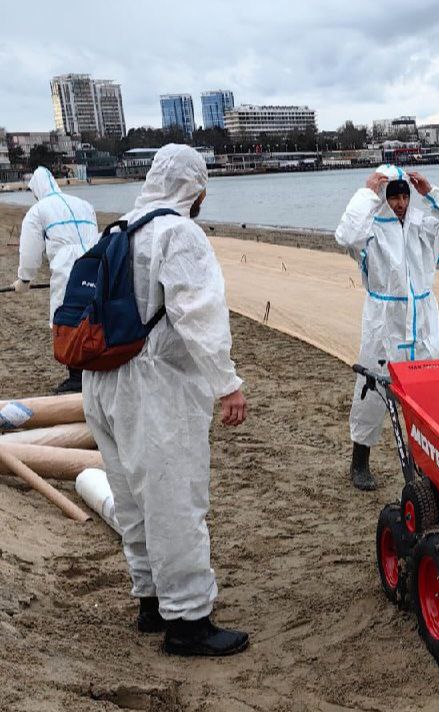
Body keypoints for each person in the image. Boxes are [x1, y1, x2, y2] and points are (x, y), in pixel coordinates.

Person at [82, 144, 250, 656]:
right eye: (202, 189)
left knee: (132, 499)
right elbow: (198, 313)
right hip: (152, 387)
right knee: (174, 500)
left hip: (101, 381)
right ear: (193, 188)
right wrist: (227, 383)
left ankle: (152, 602)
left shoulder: (119, 228)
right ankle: (188, 621)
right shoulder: (179, 233)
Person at [335, 164, 439, 490]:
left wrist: (431, 193)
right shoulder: (370, 234)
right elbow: (345, 235)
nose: (400, 203)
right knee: (371, 391)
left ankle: (431, 460)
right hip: (384, 322)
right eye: (393, 197)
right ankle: (359, 461)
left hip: (423, 322)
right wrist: (367, 193)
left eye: (404, 196)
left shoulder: (422, 227)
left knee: (435, 392)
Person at [10, 166, 98, 393]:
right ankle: (94, 369)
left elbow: (30, 250)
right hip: (95, 263)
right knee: (94, 315)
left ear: (36, 189)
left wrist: (24, 279)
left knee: (68, 318)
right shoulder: (84, 204)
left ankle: (77, 377)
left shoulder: (39, 210)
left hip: (67, 268)